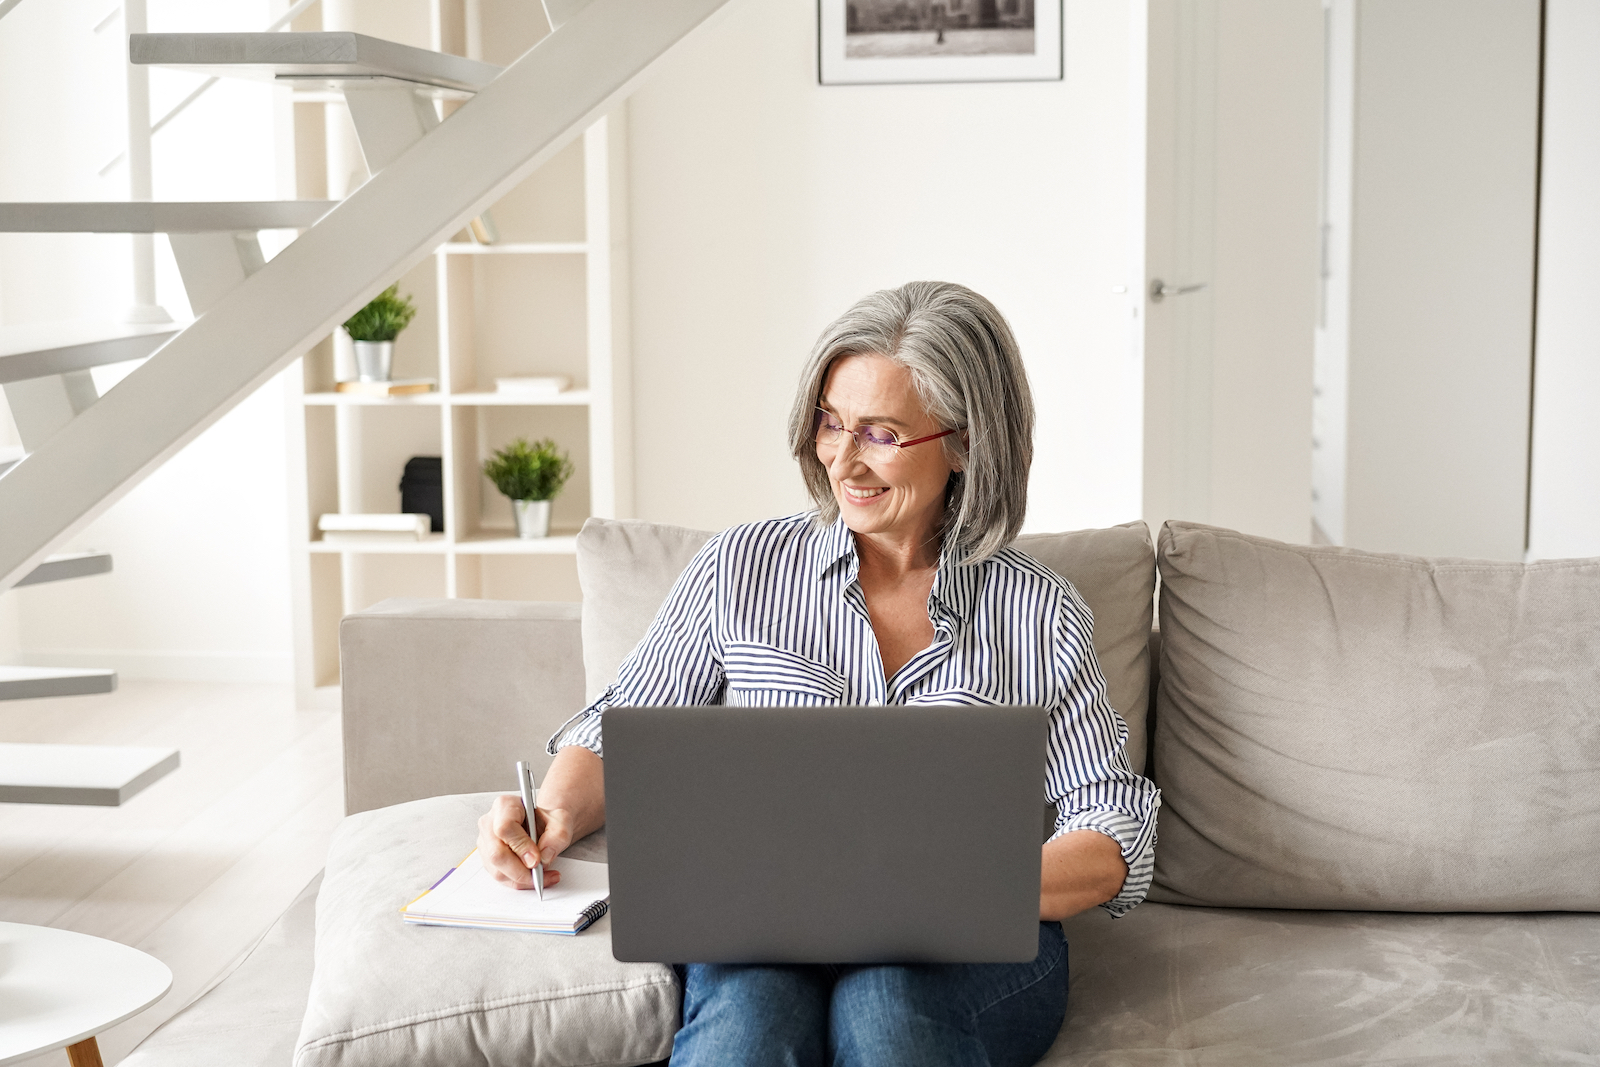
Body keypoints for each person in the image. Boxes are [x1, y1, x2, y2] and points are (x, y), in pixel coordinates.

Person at [477, 280, 1161, 1067]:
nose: (842, 458)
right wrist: (551, 813)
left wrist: (957, 891)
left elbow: (1111, 823)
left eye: (879, 433)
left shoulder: (1040, 612)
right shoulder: (742, 566)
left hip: (967, 949)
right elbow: (622, 723)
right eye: (831, 422)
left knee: (888, 1010)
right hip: (761, 923)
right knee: (748, 1028)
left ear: (967, 441)